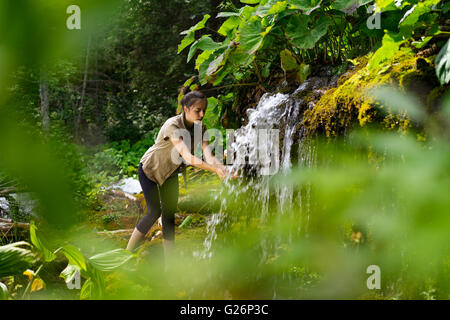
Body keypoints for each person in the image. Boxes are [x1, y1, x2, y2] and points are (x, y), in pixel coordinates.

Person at [126, 91, 228, 258]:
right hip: (150, 170)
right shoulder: (172, 125)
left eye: (204, 110)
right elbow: (188, 157)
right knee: (153, 212)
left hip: (170, 173)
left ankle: (169, 264)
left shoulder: (200, 128)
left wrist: (223, 169)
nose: (202, 114)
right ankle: (126, 255)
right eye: (197, 110)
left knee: (168, 215)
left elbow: (209, 156)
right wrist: (215, 170)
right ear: (186, 109)